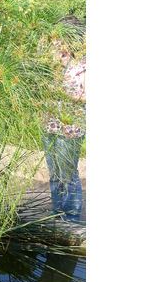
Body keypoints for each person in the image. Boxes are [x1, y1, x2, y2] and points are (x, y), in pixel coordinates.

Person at [42, 32, 86, 223]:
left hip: (70, 128)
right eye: (56, 37)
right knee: (54, 173)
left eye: (62, 37)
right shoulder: (50, 63)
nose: (57, 41)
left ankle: (71, 216)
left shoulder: (84, 64)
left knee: (68, 173)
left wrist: (62, 93)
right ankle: (58, 212)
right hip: (48, 124)